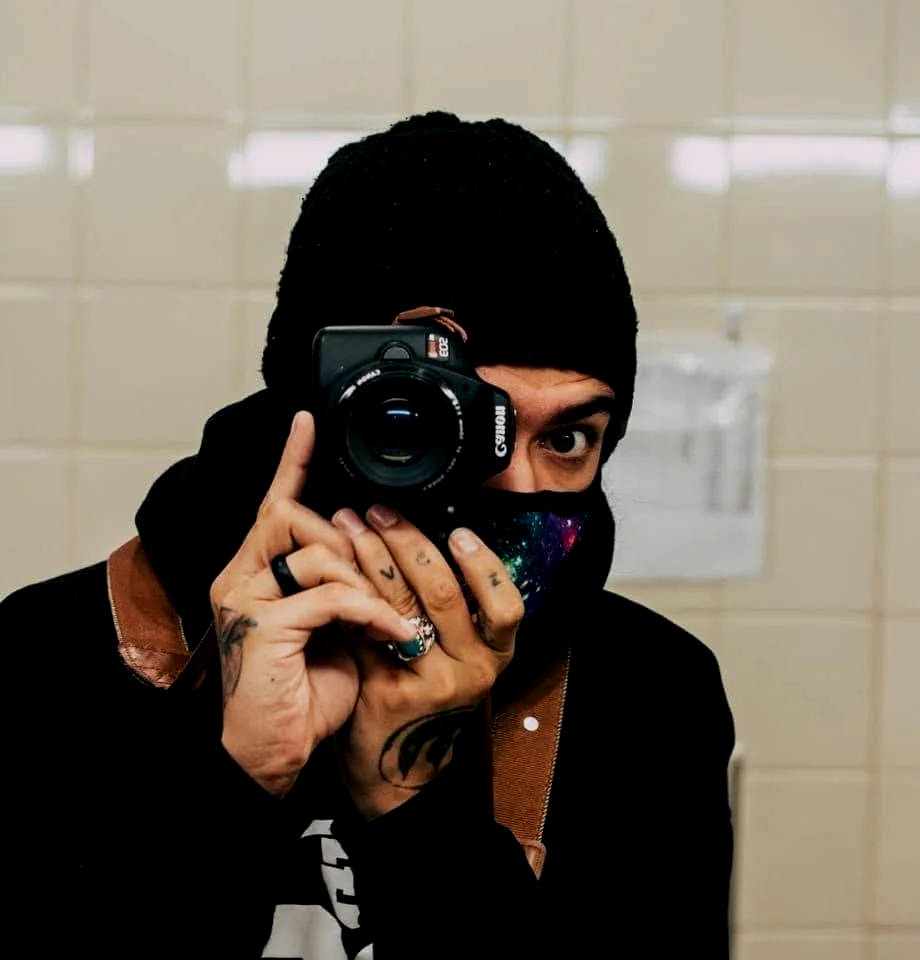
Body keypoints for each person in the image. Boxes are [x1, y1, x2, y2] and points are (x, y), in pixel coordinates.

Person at [3, 112, 734, 958]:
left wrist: (412, 800)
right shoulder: (50, 657)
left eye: (568, 439)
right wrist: (236, 779)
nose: (523, 493)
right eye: (458, 429)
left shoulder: (649, 696)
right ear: (315, 411)